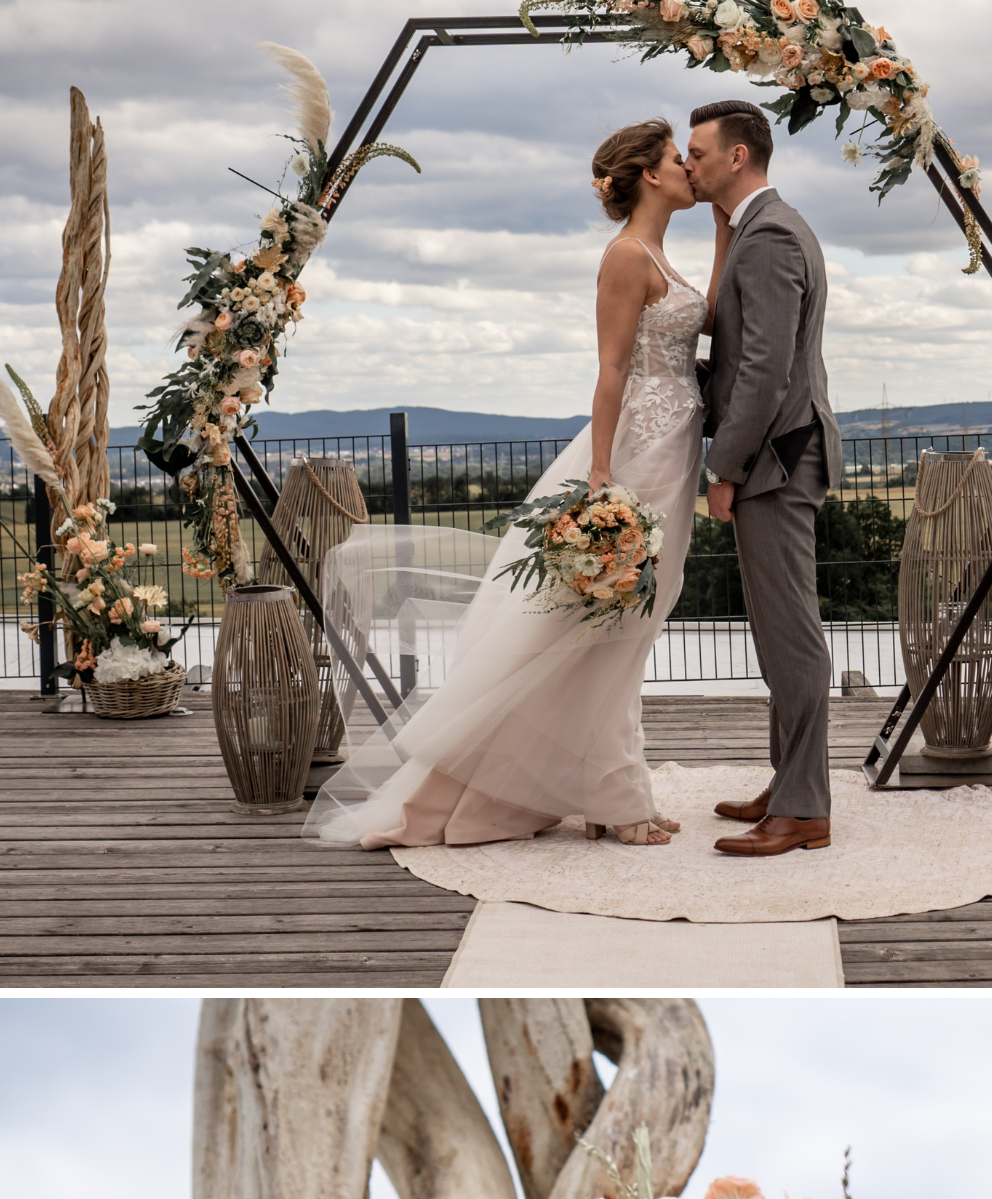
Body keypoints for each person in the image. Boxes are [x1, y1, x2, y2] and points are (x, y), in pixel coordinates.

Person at [302, 118, 729, 852]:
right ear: (651, 175)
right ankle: (607, 795)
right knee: (604, 627)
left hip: (672, 453)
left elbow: (711, 320)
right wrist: (599, 475)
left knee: (629, 628)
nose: (690, 167)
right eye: (676, 158)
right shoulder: (626, 255)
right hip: (635, 455)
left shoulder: (662, 252)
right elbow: (611, 370)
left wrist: (724, 224)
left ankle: (612, 790)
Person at [684, 99, 843, 858]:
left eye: (698, 153)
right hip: (776, 458)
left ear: (737, 157)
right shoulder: (755, 230)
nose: (690, 165)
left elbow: (765, 369)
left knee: (791, 639)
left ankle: (805, 808)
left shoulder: (772, 235)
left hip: (776, 462)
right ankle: (787, 783)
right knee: (777, 635)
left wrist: (724, 467)